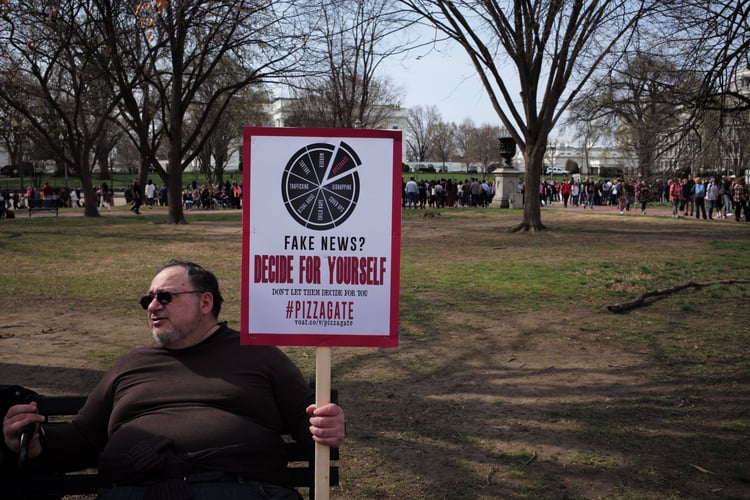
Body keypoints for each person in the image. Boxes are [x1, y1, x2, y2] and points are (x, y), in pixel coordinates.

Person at [3, 260, 345, 500]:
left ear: (205, 302)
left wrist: (324, 426)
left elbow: (306, 422)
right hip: (135, 489)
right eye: (148, 299)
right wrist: (35, 442)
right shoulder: (131, 364)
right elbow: (83, 436)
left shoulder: (258, 354)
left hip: (237, 488)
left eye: (165, 296)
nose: (153, 306)